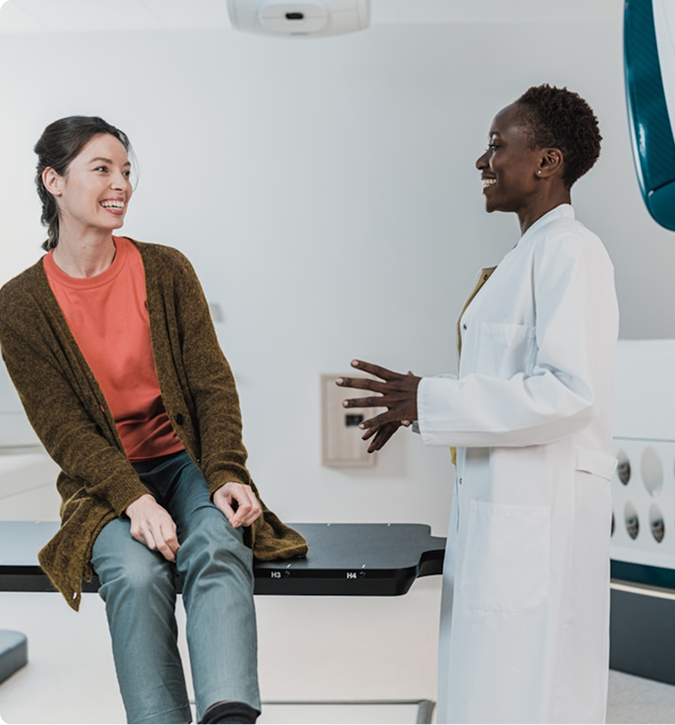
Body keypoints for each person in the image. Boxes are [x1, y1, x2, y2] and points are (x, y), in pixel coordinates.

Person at [0, 116, 308, 725]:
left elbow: (210, 385)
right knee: (136, 575)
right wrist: (133, 500)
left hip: (185, 460)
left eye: (127, 171)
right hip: (104, 483)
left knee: (218, 541)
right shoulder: (18, 305)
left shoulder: (167, 270)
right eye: (103, 169)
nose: (122, 185)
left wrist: (225, 473)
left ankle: (229, 717)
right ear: (53, 181)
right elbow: (63, 430)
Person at [337, 84, 619, 725]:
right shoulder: (530, 257)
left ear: (548, 161)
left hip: (538, 518)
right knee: (490, 685)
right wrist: (422, 405)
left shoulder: (572, 252)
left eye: (497, 145)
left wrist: (429, 399)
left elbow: (570, 393)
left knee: (529, 692)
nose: (481, 161)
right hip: (508, 511)